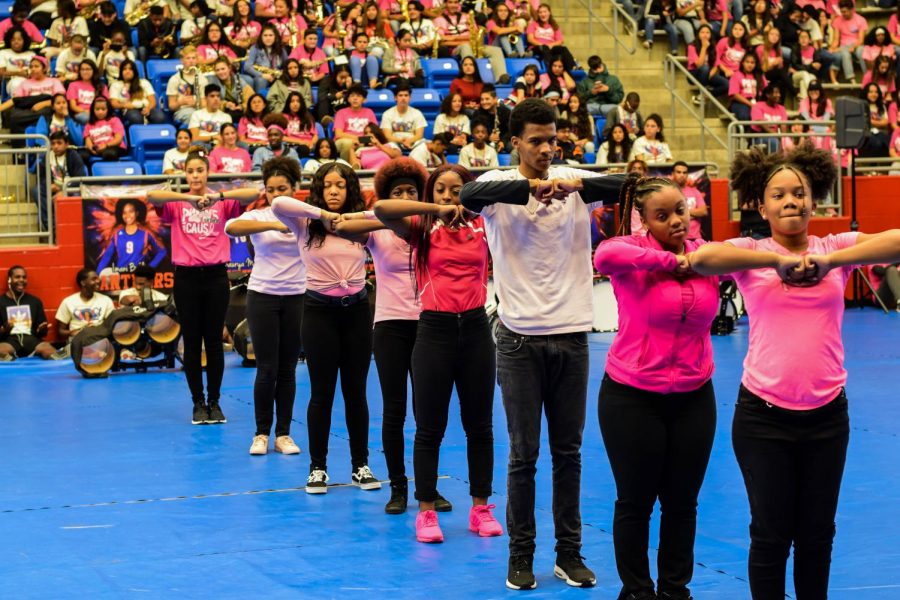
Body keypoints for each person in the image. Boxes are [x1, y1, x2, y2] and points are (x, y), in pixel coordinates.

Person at [689, 145, 900, 600]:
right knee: (770, 533)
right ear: (760, 206)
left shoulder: (834, 247)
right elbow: (702, 258)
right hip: (763, 419)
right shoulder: (752, 251)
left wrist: (831, 263)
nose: (791, 202)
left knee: (817, 534)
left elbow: (899, 241)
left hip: (827, 417)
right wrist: (773, 262)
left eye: (799, 193)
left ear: (814, 201)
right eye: (779, 195)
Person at [459, 98, 625, 590]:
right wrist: (531, 187)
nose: (547, 149)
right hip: (517, 339)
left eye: (552, 140)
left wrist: (575, 184)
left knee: (568, 453)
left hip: (573, 335)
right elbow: (468, 194)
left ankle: (569, 554)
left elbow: (630, 187)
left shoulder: (574, 180)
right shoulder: (496, 186)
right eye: (535, 141)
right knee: (523, 455)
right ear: (515, 143)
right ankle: (520, 556)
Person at [593, 173, 720, 600]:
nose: (676, 222)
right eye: (662, 216)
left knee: (683, 503)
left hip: (694, 396)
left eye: (680, 211)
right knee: (635, 502)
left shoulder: (706, 254)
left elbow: (744, 259)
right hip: (631, 396)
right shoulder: (631, 255)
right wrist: (673, 262)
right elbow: (604, 255)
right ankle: (637, 590)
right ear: (644, 221)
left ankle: (674, 589)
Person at [371, 163, 501, 543]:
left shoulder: (484, 225)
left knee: (480, 426)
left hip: (476, 329)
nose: (449, 196)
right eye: (441, 189)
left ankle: (480, 508)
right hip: (433, 332)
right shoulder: (422, 228)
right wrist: (434, 209)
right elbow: (381, 210)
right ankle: (426, 511)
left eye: (456, 189)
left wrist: (473, 204)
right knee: (430, 428)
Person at [334, 158, 451, 514]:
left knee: (428, 411)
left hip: (429, 324)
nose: (405, 196)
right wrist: (375, 216)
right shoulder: (378, 229)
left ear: (421, 195)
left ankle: (426, 487)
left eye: (411, 191)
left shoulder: (431, 228)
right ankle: (398, 487)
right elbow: (341, 227)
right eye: (398, 191)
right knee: (395, 410)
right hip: (389, 326)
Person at [271, 162, 382, 494]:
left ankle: (360, 465)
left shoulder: (361, 222)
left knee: (355, 392)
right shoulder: (305, 222)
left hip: (357, 311)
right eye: (328, 185)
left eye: (341, 185)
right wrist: (323, 214)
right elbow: (279, 204)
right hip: (319, 312)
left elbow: (385, 219)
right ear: (319, 190)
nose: (335, 191)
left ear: (350, 189)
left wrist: (347, 221)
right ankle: (317, 467)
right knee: (321, 394)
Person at [147, 148, 262, 425]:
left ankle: (215, 401)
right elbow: (153, 197)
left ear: (207, 173)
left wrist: (217, 196)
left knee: (213, 340)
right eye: (190, 171)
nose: (195, 175)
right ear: (185, 174)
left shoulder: (221, 203)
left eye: (200, 170)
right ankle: (197, 402)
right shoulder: (176, 203)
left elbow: (253, 194)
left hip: (215, 277)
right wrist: (189, 197)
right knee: (192, 340)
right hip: (186, 277)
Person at [225, 157, 306, 456]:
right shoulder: (258, 217)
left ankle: (283, 434)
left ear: (295, 189)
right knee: (266, 368)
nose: (276, 194)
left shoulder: (305, 216)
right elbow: (231, 227)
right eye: (271, 189)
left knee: (287, 369)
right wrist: (275, 222)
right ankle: (261, 433)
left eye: (282, 188)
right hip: (262, 296)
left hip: (297, 296)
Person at [0, 266, 58, 361]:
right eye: (17, 277)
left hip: (31, 340)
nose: (21, 280)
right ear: (9, 279)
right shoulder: (1, 302)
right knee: (1, 351)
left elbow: (42, 333)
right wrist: (4, 330)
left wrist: (41, 330)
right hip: (9, 341)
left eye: (24, 277)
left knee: (49, 350)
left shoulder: (35, 301)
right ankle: (9, 360)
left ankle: (60, 355)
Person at [96, 199, 167, 274]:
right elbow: (107, 255)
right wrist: (98, 272)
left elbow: (162, 251)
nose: (127, 216)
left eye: (131, 212)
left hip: (139, 276)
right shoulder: (116, 233)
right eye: (124, 213)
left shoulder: (146, 232)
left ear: (137, 213)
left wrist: (150, 267)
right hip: (121, 276)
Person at [34, 131, 86, 230]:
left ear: (66, 144)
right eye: (53, 143)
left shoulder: (73, 155)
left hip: (71, 188)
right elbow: (41, 176)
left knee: (75, 196)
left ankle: (74, 230)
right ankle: (51, 226)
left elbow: (80, 177)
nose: (56, 146)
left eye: (59, 143)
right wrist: (49, 185)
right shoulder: (47, 156)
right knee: (37, 191)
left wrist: (65, 191)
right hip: (54, 187)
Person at [55, 268, 115, 343]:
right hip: (77, 340)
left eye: (98, 278)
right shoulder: (68, 302)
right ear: (83, 283)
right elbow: (60, 331)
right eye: (94, 279)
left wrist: (97, 329)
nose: (98, 281)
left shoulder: (106, 300)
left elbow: (112, 325)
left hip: (99, 339)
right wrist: (72, 332)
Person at [109, 58, 167, 125]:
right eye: (124, 69)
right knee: (136, 118)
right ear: (121, 72)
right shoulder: (115, 85)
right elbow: (113, 103)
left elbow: (152, 100)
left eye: (130, 69)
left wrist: (148, 108)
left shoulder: (144, 82)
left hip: (146, 107)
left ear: (134, 71)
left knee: (159, 117)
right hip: (129, 109)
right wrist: (124, 105)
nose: (127, 71)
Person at [333, 84, 378, 161]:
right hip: (344, 141)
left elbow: (375, 132)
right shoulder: (341, 113)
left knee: (369, 144)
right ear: (348, 99)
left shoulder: (369, 112)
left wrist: (361, 140)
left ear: (364, 100)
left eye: (358, 96)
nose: (355, 98)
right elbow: (338, 134)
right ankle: (347, 168)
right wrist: (357, 138)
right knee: (348, 143)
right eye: (352, 96)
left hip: (363, 141)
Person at [379, 81, 427, 151]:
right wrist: (401, 141)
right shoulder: (387, 114)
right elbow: (387, 136)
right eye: (400, 95)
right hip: (394, 143)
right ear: (395, 98)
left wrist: (409, 141)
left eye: (406, 95)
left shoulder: (417, 113)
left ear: (410, 98)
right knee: (389, 146)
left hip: (412, 142)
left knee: (424, 145)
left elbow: (419, 135)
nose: (403, 98)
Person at [167, 46, 203, 128]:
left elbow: (206, 102)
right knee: (193, 116)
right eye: (188, 58)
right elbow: (171, 106)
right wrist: (180, 102)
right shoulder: (174, 79)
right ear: (182, 60)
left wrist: (197, 103)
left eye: (193, 58)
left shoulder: (203, 79)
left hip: (200, 109)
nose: (191, 61)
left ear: (197, 60)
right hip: (182, 110)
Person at [83, 96, 127, 162]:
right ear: (93, 110)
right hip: (98, 149)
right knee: (81, 155)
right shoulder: (89, 125)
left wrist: (106, 145)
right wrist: (91, 148)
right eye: (97, 109)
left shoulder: (115, 120)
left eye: (103, 109)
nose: (100, 112)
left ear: (108, 109)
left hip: (113, 147)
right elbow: (88, 141)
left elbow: (118, 139)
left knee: (108, 153)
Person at [671, 160, 707, 240]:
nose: (682, 175)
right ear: (673, 174)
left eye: (684, 173)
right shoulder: (668, 192)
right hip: (675, 238)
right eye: (679, 172)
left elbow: (703, 211)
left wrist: (682, 211)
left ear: (687, 175)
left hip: (695, 237)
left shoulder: (695, 191)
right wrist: (692, 213)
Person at [474, 84, 512, 153]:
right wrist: (488, 137)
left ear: (495, 99)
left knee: (512, 146)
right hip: (485, 141)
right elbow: (474, 131)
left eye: (487, 99)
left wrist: (503, 142)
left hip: (503, 141)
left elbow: (510, 130)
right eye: (482, 99)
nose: (484, 102)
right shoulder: (477, 113)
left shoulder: (505, 111)